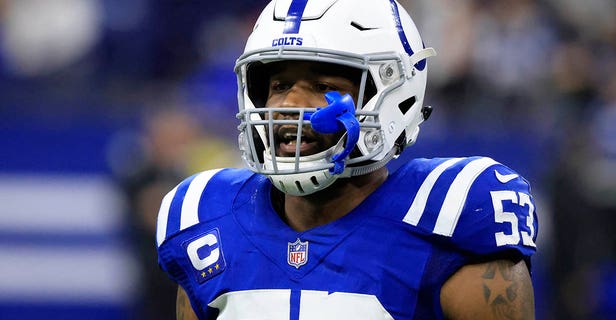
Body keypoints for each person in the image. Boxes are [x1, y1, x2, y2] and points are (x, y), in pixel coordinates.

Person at [155, 0, 538, 319]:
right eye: (279, 85)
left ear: (394, 97)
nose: (290, 106)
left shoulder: (450, 219)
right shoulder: (208, 220)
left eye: (323, 87)